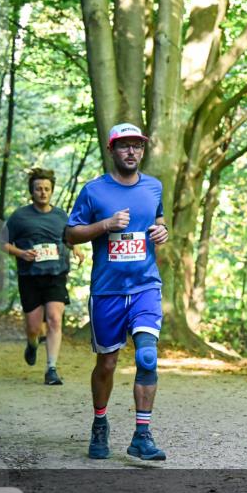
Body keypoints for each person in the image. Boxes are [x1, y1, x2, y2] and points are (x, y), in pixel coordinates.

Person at [65, 123, 169, 460]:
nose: (131, 152)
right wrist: (105, 226)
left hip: (145, 286)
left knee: (147, 356)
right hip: (108, 291)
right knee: (107, 364)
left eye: (136, 146)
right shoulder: (94, 191)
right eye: (123, 146)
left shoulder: (154, 187)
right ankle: (99, 423)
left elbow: (159, 219)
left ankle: (142, 435)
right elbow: (71, 235)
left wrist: (162, 230)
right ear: (111, 150)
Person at [2, 168, 84, 385]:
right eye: (38, 189)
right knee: (34, 328)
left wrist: (75, 248)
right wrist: (21, 253)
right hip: (30, 276)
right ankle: (32, 344)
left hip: (56, 274)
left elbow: (69, 238)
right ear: (32, 191)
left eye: (47, 189)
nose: (43, 192)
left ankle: (52, 368)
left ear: (51, 191)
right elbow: (3, 243)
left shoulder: (60, 216)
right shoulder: (20, 216)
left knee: (55, 319)